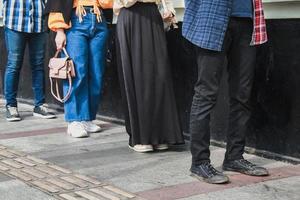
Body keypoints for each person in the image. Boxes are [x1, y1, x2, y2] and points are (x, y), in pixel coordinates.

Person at [183, 0, 269, 184]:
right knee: (206, 94)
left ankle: (234, 157)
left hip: (246, 19)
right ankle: (199, 162)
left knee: (242, 95)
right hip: (212, 17)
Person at [114, 0, 184, 152]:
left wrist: (168, 9)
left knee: (159, 75)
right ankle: (140, 137)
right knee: (137, 75)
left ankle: (159, 135)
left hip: (153, 17)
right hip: (132, 16)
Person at [45, 0, 109, 138]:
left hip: (98, 18)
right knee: (76, 72)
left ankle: (87, 118)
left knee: (97, 73)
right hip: (75, 20)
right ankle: (74, 120)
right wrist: (59, 30)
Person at [3, 0, 56, 122]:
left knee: (38, 65)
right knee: (13, 64)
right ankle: (11, 105)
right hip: (15, 20)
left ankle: (40, 105)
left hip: (39, 22)